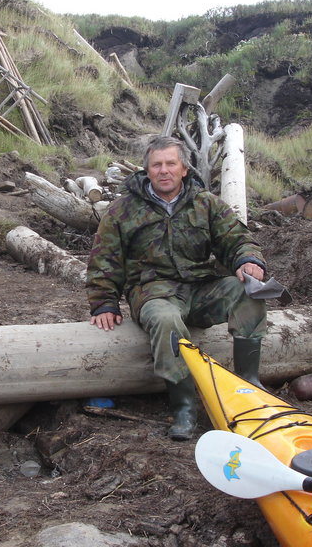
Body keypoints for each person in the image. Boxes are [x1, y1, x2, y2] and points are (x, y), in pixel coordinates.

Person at [86, 135, 267, 440]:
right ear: (146, 170)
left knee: (248, 291)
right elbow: (104, 258)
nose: (164, 170)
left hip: (200, 286)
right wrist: (104, 302)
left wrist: (248, 259)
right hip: (153, 291)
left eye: (171, 163)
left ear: (184, 168)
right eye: (157, 165)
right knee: (167, 321)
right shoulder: (123, 210)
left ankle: (248, 382)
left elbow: (235, 238)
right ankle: (184, 406)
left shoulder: (205, 203)